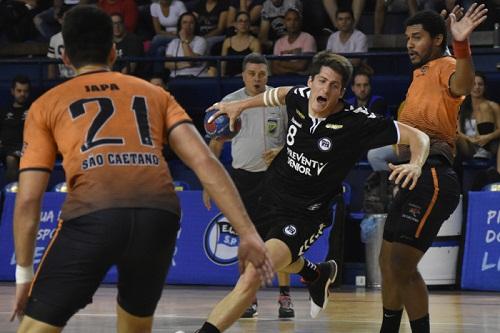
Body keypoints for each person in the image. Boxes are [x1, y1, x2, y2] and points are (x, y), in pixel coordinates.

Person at [10, 6, 273, 333]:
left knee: (34, 329)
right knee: (135, 327)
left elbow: (27, 200)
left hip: (94, 215)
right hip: (158, 217)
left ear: (64, 57)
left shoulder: (45, 105)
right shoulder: (155, 94)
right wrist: (247, 233)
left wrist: (23, 274)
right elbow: (204, 160)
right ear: (113, 52)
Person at [192, 50, 430, 333]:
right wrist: (240, 106)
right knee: (258, 262)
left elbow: (419, 137)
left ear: (342, 92)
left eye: (333, 85)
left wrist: (415, 163)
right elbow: (277, 94)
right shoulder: (300, 97)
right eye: (321, 81)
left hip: (304, 214)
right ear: (310, 82)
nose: (325, 89)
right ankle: (316, 274)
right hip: (268, 196)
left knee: (253, 274)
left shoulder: (357, 122)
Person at [378, 5, 487, 333]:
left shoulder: (447, 65)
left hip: (435, 177)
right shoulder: (417, 78)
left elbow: (464, 85)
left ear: (438, 39)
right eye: (407, 38)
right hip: (411, 175)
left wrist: (461, 45)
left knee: (401, 264)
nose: (409, 44)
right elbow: (403, 139)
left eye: (417, 37)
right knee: (387, 262)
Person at [203, 53, 293, 318]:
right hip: (244, 179)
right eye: (252, 74)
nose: (257, 78)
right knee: (248, 240)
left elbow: (296, 137)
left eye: (262, 74)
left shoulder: (280, 99)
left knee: (281, 239)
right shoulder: (230, 102)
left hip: (277, 177)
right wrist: (208, 183)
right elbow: (216, 144)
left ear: (268, 75)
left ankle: (285, 298)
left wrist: (281, 150)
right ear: (243, 75)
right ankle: (248, 298)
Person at [457, 72, 500, 171]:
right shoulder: (462, 107)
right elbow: (457, 131)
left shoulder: (493, 106)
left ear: (485, 87)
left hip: (488, 144)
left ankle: (484, 153)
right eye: (473, 84)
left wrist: (486, 137)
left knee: (484, 107)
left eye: (480, 84)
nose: (476, 87)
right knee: (453, 137)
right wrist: (469, 139)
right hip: (469, 146)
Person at [0, 75, 31, 184]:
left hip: (24, 147)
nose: (22, 94)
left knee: (11, 158)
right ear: (12, 91)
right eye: (19, 90)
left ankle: (13, 193)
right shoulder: (4, 111)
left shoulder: (34, 110)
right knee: (10, 156)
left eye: (25, 91)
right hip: (5, 147)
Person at [271, 7, 316, 75]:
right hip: (282, 80)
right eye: (289, 20)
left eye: (296, 20)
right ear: (284, 23)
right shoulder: (279, 42)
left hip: (303, 81)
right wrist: (294, 70)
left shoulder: (308, 38)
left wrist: (281, 63)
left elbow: (302, 66)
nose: (292, 23)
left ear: (300, 22)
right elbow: (274, 68)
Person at [164, 12, 209, 77]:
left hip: (196, 77)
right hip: (176, 78)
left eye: (191, 23)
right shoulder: (173, 42)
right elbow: (167, 64)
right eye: (184, 22)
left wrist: (184, 40)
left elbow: (191, 60)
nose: (188, 25)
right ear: (180, 26)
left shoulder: (200, 41)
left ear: (195, 26)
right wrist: (187, 64)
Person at [220, 11, 261, 77]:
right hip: (229, 79)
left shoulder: (255, 42)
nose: (243, 23)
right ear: (235, 24)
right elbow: (223, 65)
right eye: (240, 21)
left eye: (246, 21)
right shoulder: (227, 42)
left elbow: (256, 65)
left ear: (249, 24)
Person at [47, 4, 76, 80]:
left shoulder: (81, 36)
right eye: (66, 19)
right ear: (60, 20)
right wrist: (51, 82)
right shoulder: (54, 39)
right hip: (63, 78)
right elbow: (51, 64)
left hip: (78, 78)